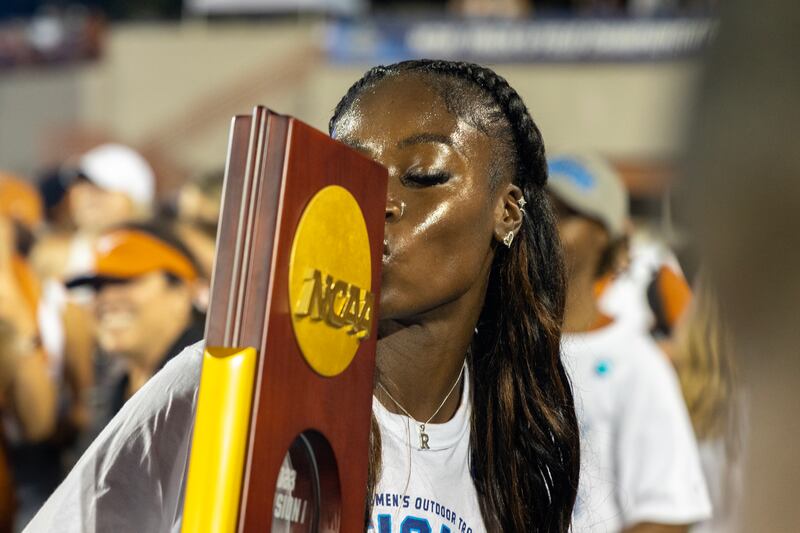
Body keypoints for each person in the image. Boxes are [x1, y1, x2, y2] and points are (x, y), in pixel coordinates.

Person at [23, 60, 579, 533]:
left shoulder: (521, 434)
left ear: (507, 211)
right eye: (357, 175)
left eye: (423, 174)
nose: (378, 201)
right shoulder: (229, 384)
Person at [547, 154, 711, 532]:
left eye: (565, 213)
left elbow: (666, 517)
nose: (544, 224)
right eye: (538, 208)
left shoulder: (634, 364)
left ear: (606, 236)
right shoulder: (494, 348)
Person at [64, 223, 206, 442]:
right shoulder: (116, 384)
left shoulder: (206, 380)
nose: (106, 299)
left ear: (182, 291)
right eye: (98, 286)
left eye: (125, 280)